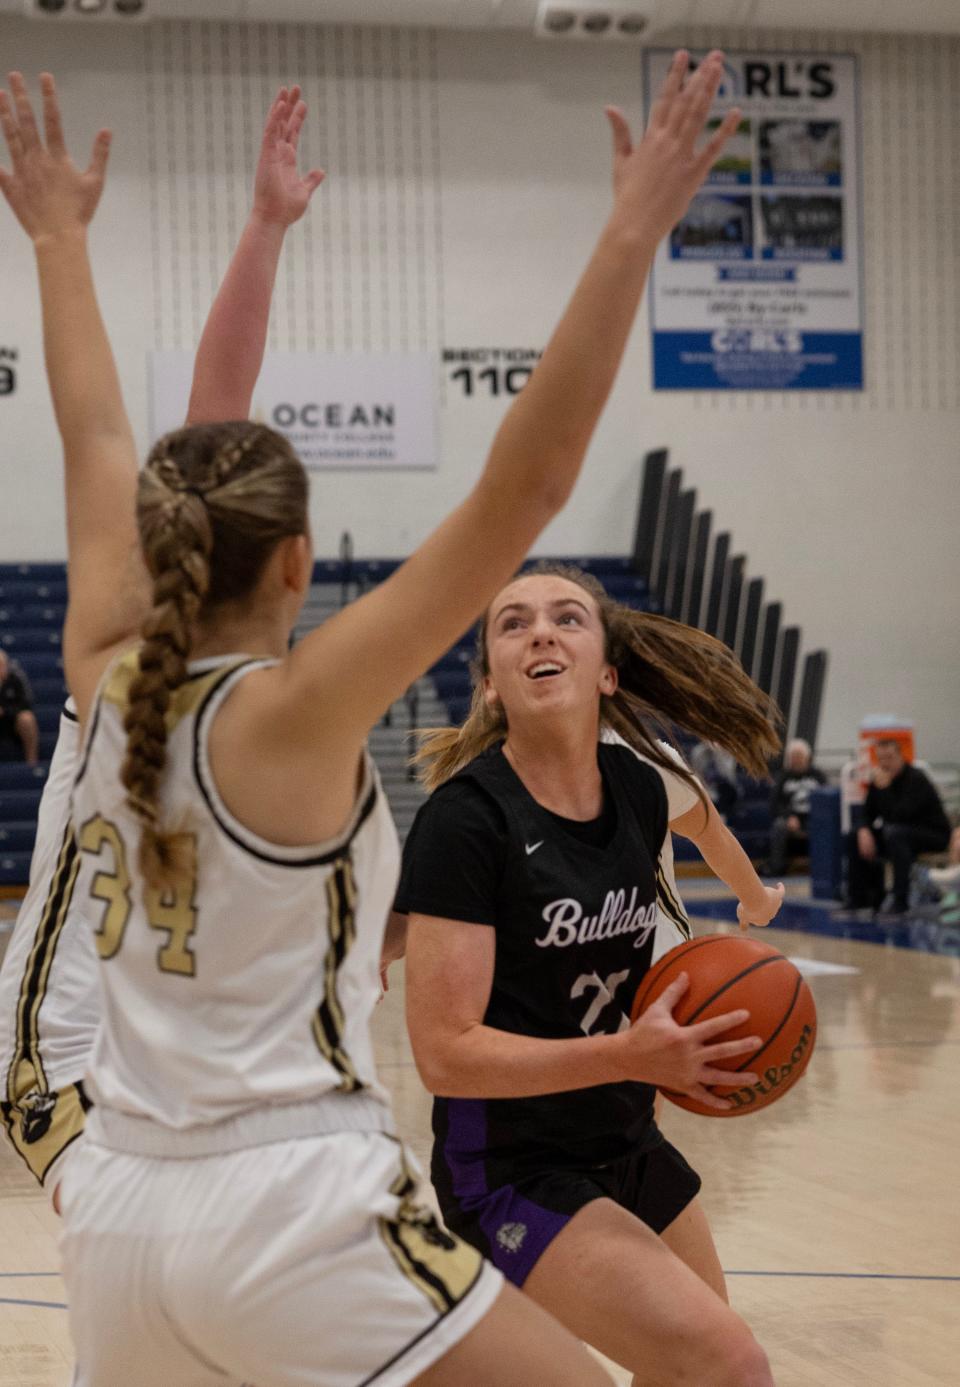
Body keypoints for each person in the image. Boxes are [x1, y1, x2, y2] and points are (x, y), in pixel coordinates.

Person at [0, 50, 740, 1387]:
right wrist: (631, 230)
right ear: (299, 564)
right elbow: (525, 481)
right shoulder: (297, 709)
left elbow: (98, 427)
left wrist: (60, 239)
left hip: (123, 1193)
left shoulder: (103, 653)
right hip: (278, 1187)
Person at [0, 82, 320, 1201]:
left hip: (200, 1070)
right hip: (73, 1055)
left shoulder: (274, 697)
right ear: (299, 562)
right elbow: (169, 418)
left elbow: (146, 423)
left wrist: (263, 228)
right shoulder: (124, 657)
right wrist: (262, 231)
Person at [395, 562, 784, 1387]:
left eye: (568, 616)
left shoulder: (642, 791)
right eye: (513, 622)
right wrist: (630, 1054)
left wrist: (754, 906)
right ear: (493, 685)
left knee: (705, 1371)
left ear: (607, 670)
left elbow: (709, 827)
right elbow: (444, 1052)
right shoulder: (466, 820)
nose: (540, 629)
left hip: (625, 1134)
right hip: (510, 1165)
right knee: (730, 1361)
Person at [846, 738, 951, 918]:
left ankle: (900, 901)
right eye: (881, 759)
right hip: (900, 835)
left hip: (933, 835)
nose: (885, 764)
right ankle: (861, 899)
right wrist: (863, 829)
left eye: (889, 758)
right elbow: (866, 813)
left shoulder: (916, 779)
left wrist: (886, 789)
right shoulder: (878, 780)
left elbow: (901, 815)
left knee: (895, 834)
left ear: (900, 756)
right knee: (855, 835)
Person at [764, 737, 825, 876]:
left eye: (800, 756)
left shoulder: (818, 776)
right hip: (790, 819)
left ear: (807, 758)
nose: (797, 760)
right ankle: (777, 868)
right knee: (779, 826)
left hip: (814, 817)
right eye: (794, 756)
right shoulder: (783, 777)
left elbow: (826, 801)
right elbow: (774, 804)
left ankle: (823, 868)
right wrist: (788, 816)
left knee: (826, 826)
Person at [0, 645, 39, 763]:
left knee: (27, 718)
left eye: (2, 665)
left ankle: (32, 763)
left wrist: (5, 711)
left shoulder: (16, 679)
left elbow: (26, 704)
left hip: (12, 721)